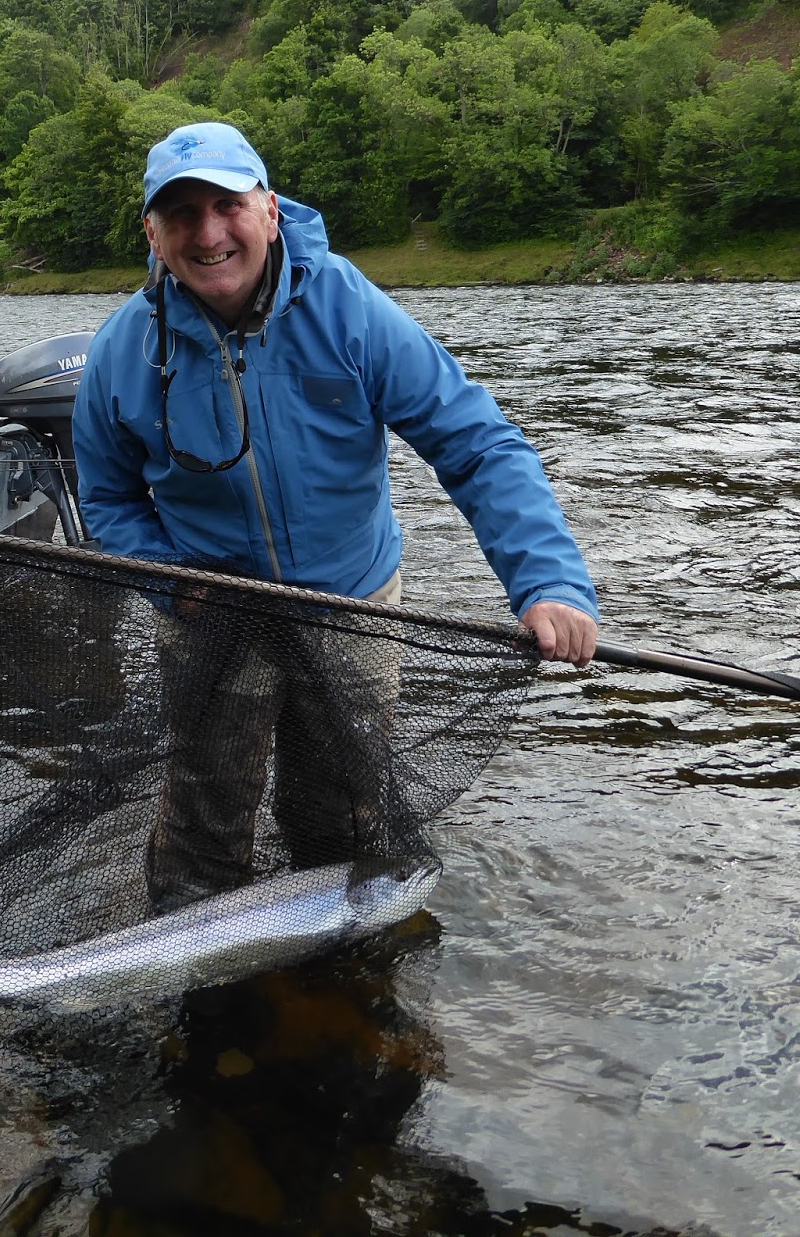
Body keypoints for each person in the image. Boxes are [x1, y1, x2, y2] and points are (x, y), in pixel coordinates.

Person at [72, 121, 598, 905]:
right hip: (210, 609)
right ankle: (202, 980)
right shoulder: (122, 351)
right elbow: (108, 499)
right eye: (182, 214)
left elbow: (478, 445)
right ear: (152, 231)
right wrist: (173, 583)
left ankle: (340, 982)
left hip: (349, 600)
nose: (209, 233)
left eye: (228, 204)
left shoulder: (350, 309)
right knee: (204, 822)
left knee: (341, 815)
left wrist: (549, 583)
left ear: (271, 209)